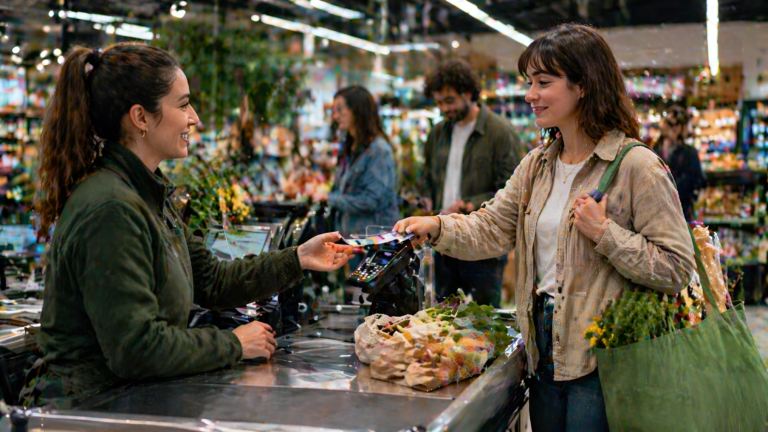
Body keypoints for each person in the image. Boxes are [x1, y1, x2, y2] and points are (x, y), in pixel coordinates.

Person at [395, 24, 695, 431]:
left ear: (583, 85)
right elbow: (492, 228)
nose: (529, 94)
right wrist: (437, 227)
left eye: (543, 82)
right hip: (541, 346)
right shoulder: (538, 166)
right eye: (528, 82)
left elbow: (677, 268)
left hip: (603, 355)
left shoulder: (636, 167)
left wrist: (605, 234)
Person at [25, 43, 353, 407]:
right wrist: (233, 343)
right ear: (141, 117)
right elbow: (135, 348)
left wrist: (298, 258)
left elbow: (211, 280)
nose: (194, 118)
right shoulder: (111, 208)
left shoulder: (146, 193)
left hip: (119, 401)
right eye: (182, 105)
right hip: (83, 411)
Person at [420, 59, 524, 308]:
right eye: (439, 103)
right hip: (443, 240)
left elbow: (511, 191)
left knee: (484, 318)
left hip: (482, 245)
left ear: (468, 94)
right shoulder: (438, 134)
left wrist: (468, 204)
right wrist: (425, 200)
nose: (444, 109)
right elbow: (427, 176)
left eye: (449, 101)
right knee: (443, 319)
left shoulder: (500, 133)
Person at [312, 86, 399, 238]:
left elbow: (370, 201)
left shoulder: (379, 150)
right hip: (351, 238)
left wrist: (329, 198)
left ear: (357, 111)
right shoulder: (350, 146)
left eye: (340, 109)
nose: (335, 116)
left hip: (371, 242)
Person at [649, 106, 705, 221]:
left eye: (677, 124)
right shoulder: (654, 150)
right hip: (656, 212)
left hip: (682, 212)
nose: (673, 128)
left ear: (682, 126)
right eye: (670, 123)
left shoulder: (690, 153)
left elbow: (698, 182)